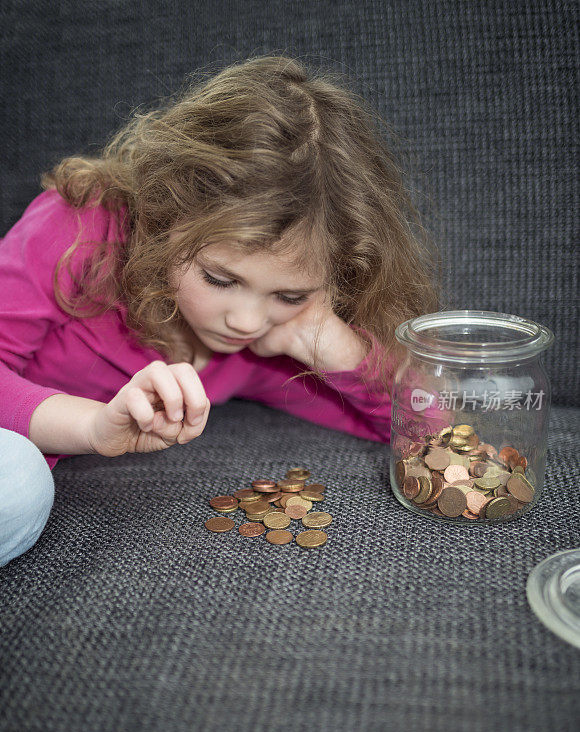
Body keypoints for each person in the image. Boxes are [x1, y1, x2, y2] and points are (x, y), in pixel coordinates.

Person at [0, 55, 444, 566]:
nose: (247, 321)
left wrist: (339, 347)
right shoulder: (80, 228)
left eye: (290, 294)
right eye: (220, 279)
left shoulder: (264, 349)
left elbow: (429, 434)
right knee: (21, 479)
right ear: (167, 217)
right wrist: (94, 427)